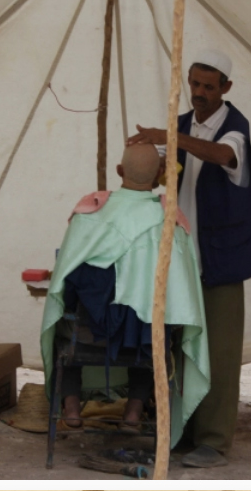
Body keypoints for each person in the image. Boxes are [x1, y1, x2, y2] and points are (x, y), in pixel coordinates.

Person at [128, 50, 251, 469]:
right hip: (181, 258)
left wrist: (168, 136)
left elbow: (222, 156)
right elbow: (168, 172)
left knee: (219, 352)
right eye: (194, 84)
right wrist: (141, 166)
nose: (198, 93)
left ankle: (215, 440)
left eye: (208, 86)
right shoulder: (181, 126)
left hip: (220, 259)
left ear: (226, 88)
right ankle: (181, 431)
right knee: (182, 351)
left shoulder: (236, 128)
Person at [40, 139, 209, 440]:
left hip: (88, 335)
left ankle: (71, 406)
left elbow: (63, 282)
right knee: (153, 330)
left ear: (119, 171)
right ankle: (133, 412)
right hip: (144, 339)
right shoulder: (168, 220)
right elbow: (182, 295)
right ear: (160, 174)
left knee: (62, 326)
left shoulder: (89, 214)